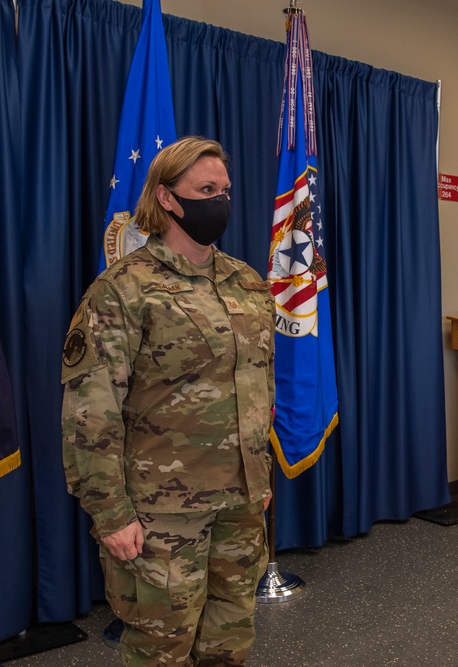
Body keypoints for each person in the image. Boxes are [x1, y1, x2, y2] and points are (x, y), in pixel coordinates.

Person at [61, 136, 275, 666]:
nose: (220, 200)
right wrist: (110, 512)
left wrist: (260, 476)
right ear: (166, 198)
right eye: (206, 189)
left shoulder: (247, 283)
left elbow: (257, 387)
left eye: (225, 189)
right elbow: (92, 409)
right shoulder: (123, 290)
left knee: (229, 642)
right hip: (162, 511)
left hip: (241, 503)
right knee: (161, 649)